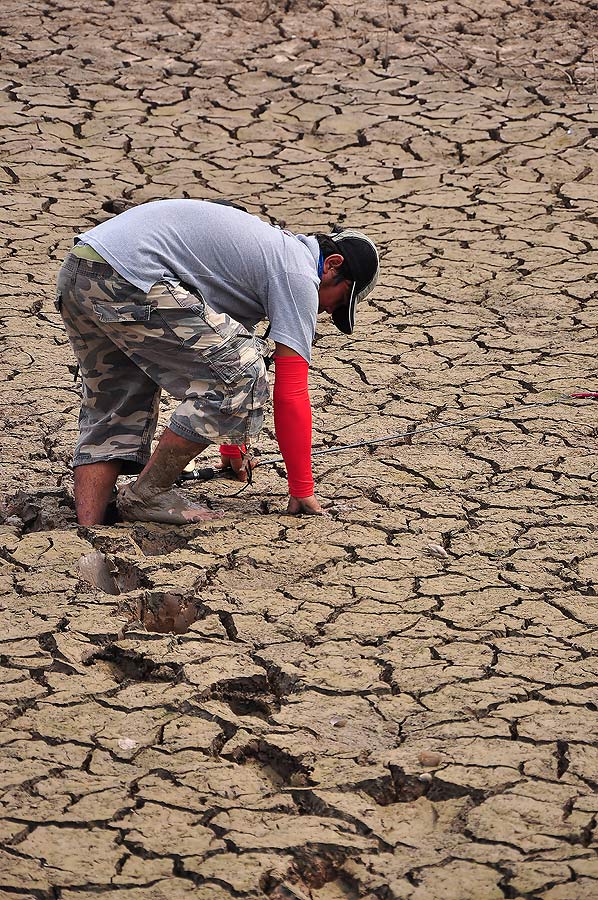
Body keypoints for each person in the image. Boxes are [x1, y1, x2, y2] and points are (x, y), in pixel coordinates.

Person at [55, 199, 379, 526]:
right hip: (130, 277)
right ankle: (149, 494)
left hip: (82, 269)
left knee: (119, 400)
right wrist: (302, 489)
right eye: (339, 300)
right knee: (246, 372)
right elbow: (288, 393)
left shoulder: (265, 256)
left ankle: (90, 530)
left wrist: (231, 449)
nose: (327, 312)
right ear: (332, 265)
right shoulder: (298, 272)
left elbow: (219, 358)